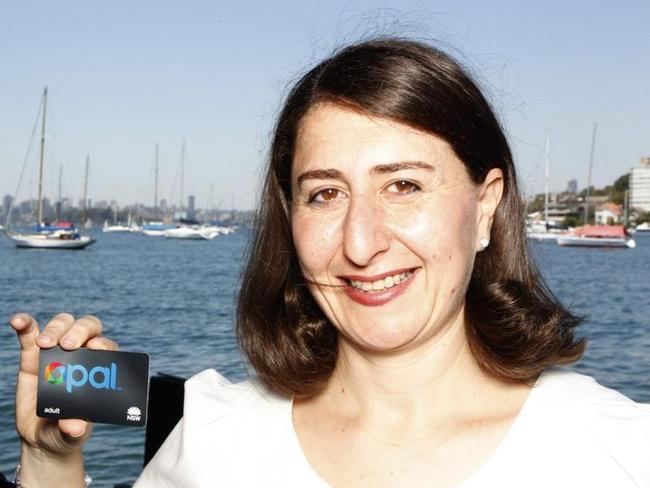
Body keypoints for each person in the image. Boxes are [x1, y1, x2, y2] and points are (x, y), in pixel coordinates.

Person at [9, 38, 650, 488]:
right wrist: (51, 466)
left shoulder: (622, 453)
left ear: (486, 207)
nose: (361, 242)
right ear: (289, 217)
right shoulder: (211, 440)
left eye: (403, 185)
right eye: (325, 193)